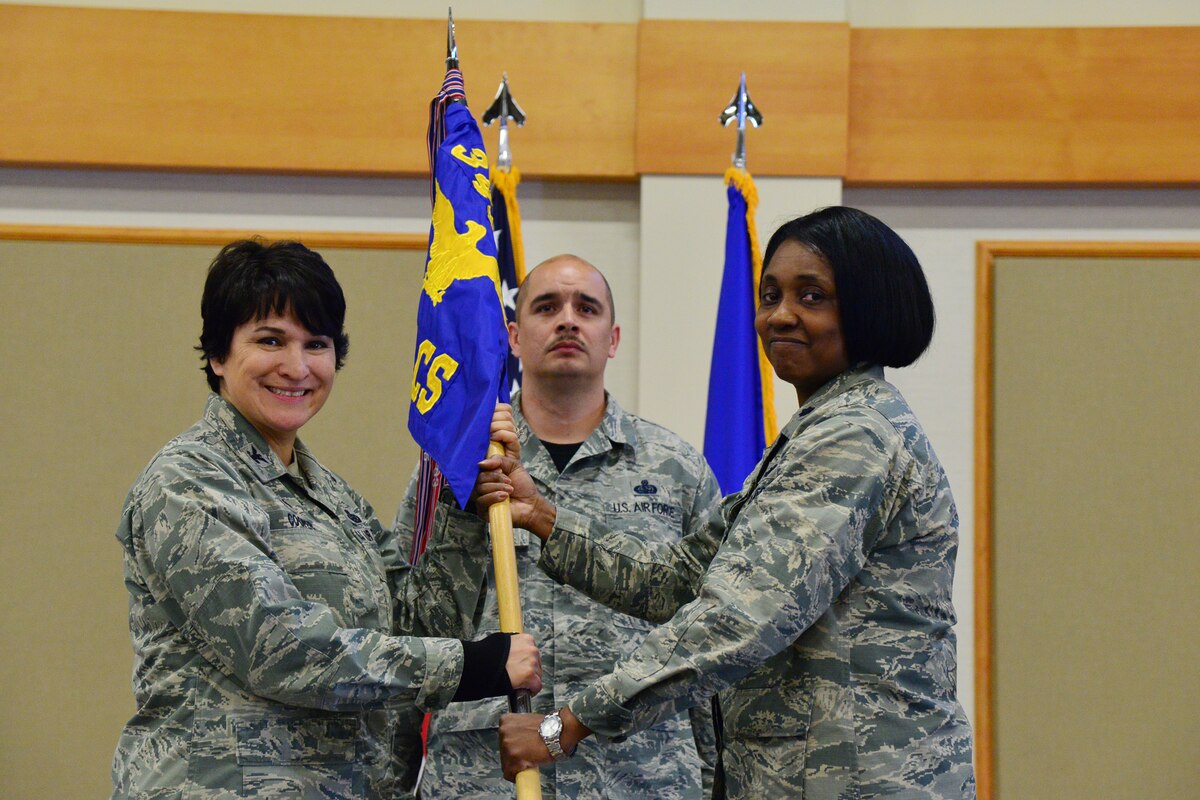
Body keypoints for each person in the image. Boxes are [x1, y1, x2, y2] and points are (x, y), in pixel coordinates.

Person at [486, 209, 976, 799]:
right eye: (770, 295)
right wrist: (543, 517)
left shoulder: (856, 435)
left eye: (811, 296)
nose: (780, 315)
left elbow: (740, 615)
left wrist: (563, 725)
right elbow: (681, 579)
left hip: (863, 777)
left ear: (867, 307)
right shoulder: (812, 435)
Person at [110, 239, 541, 800]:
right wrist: (472, 666)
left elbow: (411, 625)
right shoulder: (187, 482)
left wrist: (465, 503)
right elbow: (282, 649)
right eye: (270, 340)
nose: (296, 367)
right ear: (218, 355)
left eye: (316, 344)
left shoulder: (336, 499)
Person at [416, 254, 722, 799]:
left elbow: (710, 634)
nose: (567, 320)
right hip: (483, 776)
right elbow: (416, 626)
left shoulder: (678, 470)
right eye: (547, 307)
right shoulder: (458, 467)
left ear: (613, 338)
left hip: (641, 775)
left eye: (587, 308)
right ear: (513, 335)